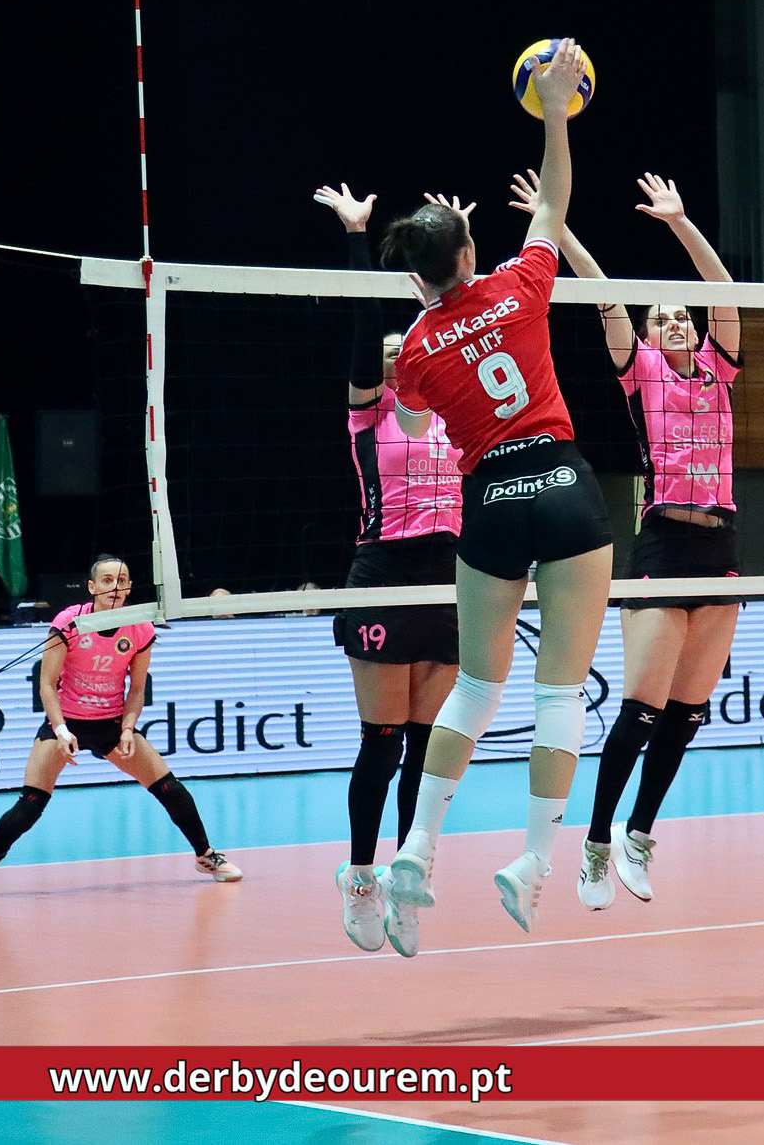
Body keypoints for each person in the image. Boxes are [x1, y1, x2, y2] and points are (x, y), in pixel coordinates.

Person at [378, 41, 614, 953]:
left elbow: (407, 403)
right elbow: (552, 203)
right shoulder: (520, 287)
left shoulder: (417, 350)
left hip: (491, 500)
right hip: (564, 485)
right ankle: (531, 861)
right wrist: (554, 110)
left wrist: (435, 287)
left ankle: (420, 844)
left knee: (477, 685)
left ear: (418, 272)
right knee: (561, 693)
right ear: (473, 249)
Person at [529, 169, 744, 912]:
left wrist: (680, 223)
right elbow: (606, 296)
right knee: (642, 709)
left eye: (683, 314)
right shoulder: (641, 369)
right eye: (664, 317)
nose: (677, 320)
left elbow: (722, 288)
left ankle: (638, 834)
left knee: (689, 712)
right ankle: (594, 842)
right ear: (651, 336)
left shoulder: (720, 367)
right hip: (661, 544)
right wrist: (559, 232)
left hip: (722, 550)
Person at [313, 182, 463, 951]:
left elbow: (455, 320)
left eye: (405, 351)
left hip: (450, 580)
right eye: (386, 356)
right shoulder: (368, 414)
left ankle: (407, 871)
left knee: (426, 741)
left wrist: (453, 247)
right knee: (382, 740)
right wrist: (359, 237)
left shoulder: (452, 412)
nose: (395, 356)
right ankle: (361, 876)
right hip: (383, 572)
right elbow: (365, 323)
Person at [0, 555, 242, 899]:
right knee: (31, 802)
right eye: (107, 581)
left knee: (171, 789)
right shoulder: (69, 622)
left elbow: (137, 689)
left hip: (110, 723)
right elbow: (47, 685)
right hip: (66, 722)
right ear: (92, 587)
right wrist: (61, 730)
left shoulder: (140, 627)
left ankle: (205, 855)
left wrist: (128, 729)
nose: (115, 587)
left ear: (129, 587)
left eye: (122, 580)